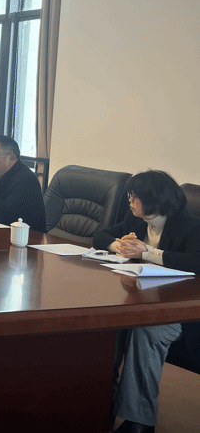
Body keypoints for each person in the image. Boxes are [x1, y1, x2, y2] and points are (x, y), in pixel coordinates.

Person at [92, 170, 200, 433]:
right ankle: (103, 403)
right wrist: (121, 246)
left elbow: (196, 262)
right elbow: (100, 236)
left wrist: (148, 253)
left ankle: (140, 422)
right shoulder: (136, 219)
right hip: (143, 300)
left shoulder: (191, 226)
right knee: (110, 324)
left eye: (134, 196)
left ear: (154, 199)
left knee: (146, 330)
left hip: (180, 312)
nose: (129, 200)